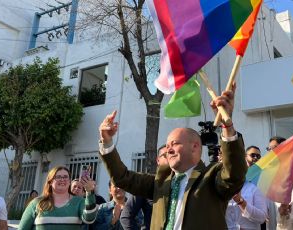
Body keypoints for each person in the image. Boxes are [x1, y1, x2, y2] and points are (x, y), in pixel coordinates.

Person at [98, 86, 247, 229]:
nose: (168, 150)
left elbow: (234, 174)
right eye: (167, 145)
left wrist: (226, 125)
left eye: (174, 144)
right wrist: (107, 142)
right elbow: (122, 178)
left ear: (195, 146)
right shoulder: (160, 181)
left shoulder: (211, 178)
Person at [19, 166, 98, 229]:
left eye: (65, 177)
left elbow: (89, 219)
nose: (62, 179)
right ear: (50, 181)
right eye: (58, 177)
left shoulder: (79, 201)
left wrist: (89, 191)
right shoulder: (36, 203)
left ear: (70, 181)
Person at [120, 145, 169, 230]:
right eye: (165, 155)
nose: (169, 158)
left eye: (171, 154)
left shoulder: (181, 183)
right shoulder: (148, 184)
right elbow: (126, 217)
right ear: (158, 160)